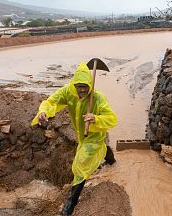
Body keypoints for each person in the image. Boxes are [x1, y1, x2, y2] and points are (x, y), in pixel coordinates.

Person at [31, 61, 117, 215]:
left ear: (90, 85)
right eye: (79, 86)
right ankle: (110, 158)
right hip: (81, 135)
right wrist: (44, 111)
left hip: (95, 136)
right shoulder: (67, 92)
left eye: (85, 86)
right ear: (74, 85)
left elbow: (111, 119)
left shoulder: (98, 98)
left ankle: (71, 202)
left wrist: (96, 119)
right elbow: (51, 101)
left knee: (81, 164)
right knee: (97, 152)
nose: (82, 90)